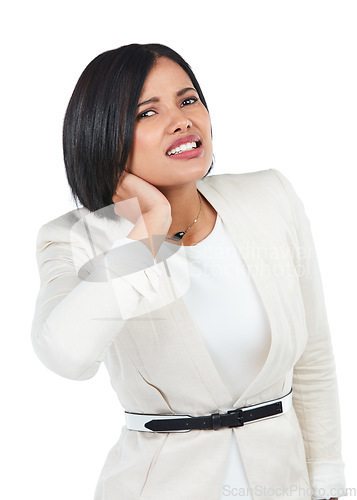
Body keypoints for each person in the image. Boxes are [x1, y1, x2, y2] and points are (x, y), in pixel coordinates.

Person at [31, 43, 347, 500]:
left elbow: (314, 357)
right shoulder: (75, 239)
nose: (181, 119)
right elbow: (66, 356)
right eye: (147, 112)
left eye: (187, 100)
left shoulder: (270, 197)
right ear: (104, 136)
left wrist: (328, 482)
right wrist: (149, 229)